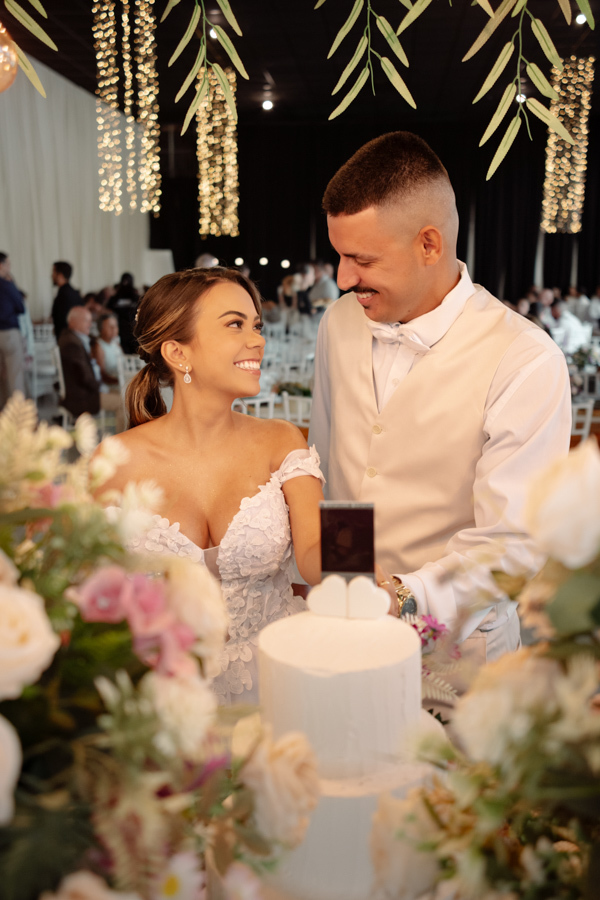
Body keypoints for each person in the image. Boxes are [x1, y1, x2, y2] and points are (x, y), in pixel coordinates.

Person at [309, 131, 571, 666]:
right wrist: (347, 582)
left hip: (462, 650)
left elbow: (514, 544)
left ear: (429, 245)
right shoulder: (337, 322)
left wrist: (401, 599)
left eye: (361, 259)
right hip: (348, 629)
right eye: (339, 256)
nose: (342, 278)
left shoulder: (525, 358)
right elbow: (333, 466)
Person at [97, 267, 324, 705]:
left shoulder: (281, 440)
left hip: (276, 679)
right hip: (161, 694)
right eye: (235, 324)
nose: (258, 340)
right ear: (178, 352)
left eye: (257, 326)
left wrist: (361, 556)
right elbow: (90, 586)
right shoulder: (115, 462)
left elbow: (316, 553)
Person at [59, 306, 125, 430]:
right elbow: (83, 376)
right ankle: (119, 439)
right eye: (86, 321)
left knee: (127, 396)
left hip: (85, 391)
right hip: (81, 397)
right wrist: (101, 387)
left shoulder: (73, 338)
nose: (90, 324)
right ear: (73, 322)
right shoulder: (71, 343)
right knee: (123, 403)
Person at [0, 252, 26, 408]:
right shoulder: (7, 285)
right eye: (8, 264)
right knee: (15, 376)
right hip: (9, 333)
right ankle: (18, 413)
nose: (9, 268)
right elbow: (21, 307)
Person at [108, 273, 139, 354]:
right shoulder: (116, 297)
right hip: (122, 329)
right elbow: (109, 309)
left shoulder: (134, 297)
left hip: (131, 329)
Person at [51, 261, 82, 339]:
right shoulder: (73, 292)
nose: (51, 275)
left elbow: (65, 320)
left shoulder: (64, 295)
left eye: (53, 272)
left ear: (60, 275)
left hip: (68, 338)